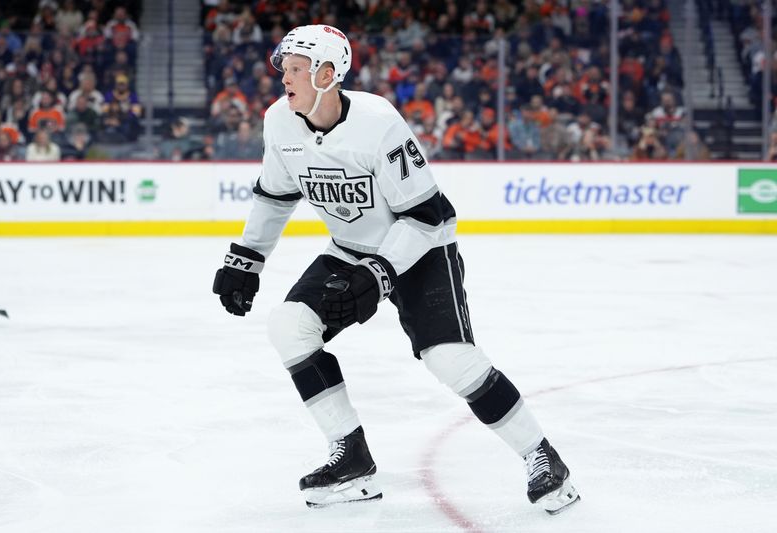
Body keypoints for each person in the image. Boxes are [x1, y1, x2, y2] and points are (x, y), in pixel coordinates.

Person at [212, 24, 580, 513]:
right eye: (285, 69)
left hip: (422, 250)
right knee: (290, 327)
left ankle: (543, 456)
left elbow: (427, 215)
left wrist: (381, 272)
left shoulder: (377, 122)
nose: (285, 78)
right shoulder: (280, 121)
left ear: (327, 74)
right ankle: (352, 459)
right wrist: (246, 258)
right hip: (350, 249)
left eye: (296, 69)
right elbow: (275, 196)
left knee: (450, 360)